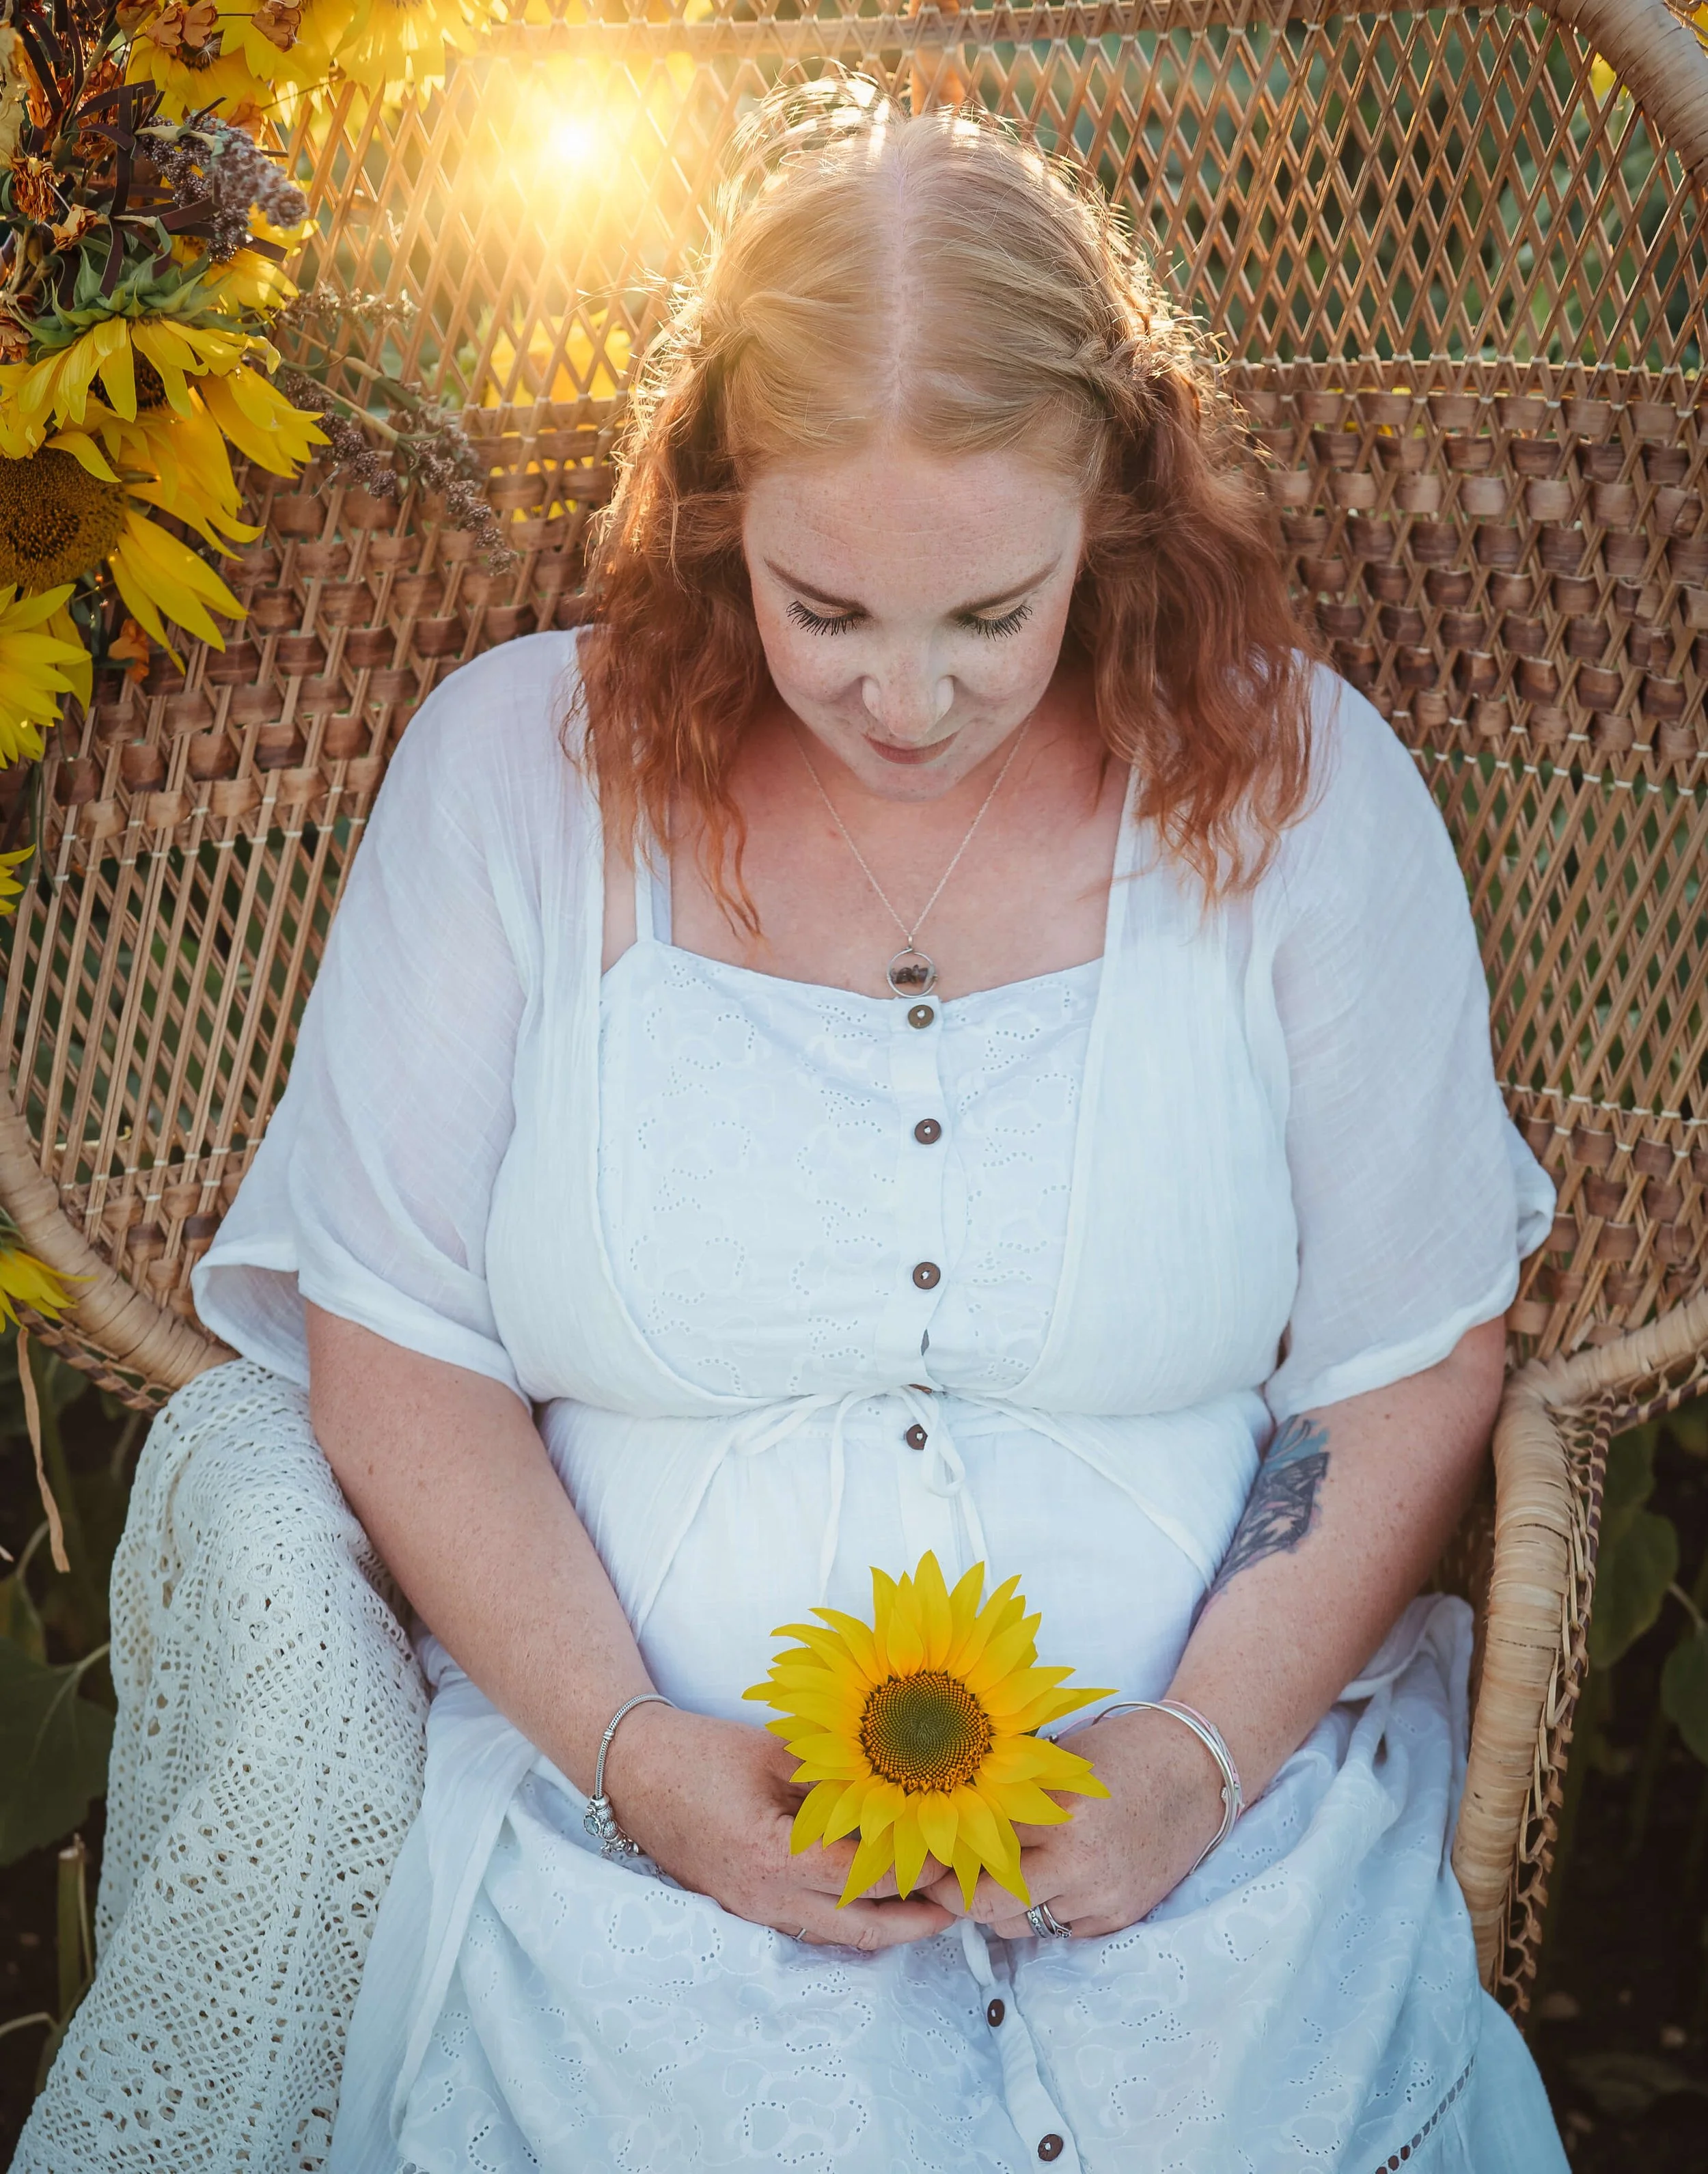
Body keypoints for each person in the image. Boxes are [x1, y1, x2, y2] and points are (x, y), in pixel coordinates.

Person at [183, 87, 1561, 2172]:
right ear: (714, 492)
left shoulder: (1286, 786)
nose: (902, 699)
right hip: (623, 1886)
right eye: (821, 609)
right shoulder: (513, 780)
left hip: (1212, 1871)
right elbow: (399, 1348)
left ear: (1112, 497)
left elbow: (1404, 1361)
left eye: (986, 617)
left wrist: (1195, 1757)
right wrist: (637, 1760)